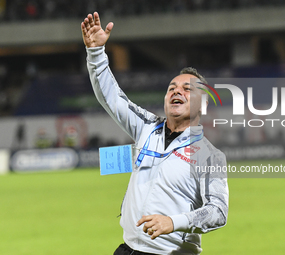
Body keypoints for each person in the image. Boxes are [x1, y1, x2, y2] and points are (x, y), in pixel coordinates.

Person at [81, 12, 229, 255]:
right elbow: (112, 98)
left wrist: (173, 222)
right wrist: (96, 53)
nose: (176, 91)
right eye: (171, 87)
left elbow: (218, 211)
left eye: (186, 89)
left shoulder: (209, 156)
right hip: (127, 250)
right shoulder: (147, 126)